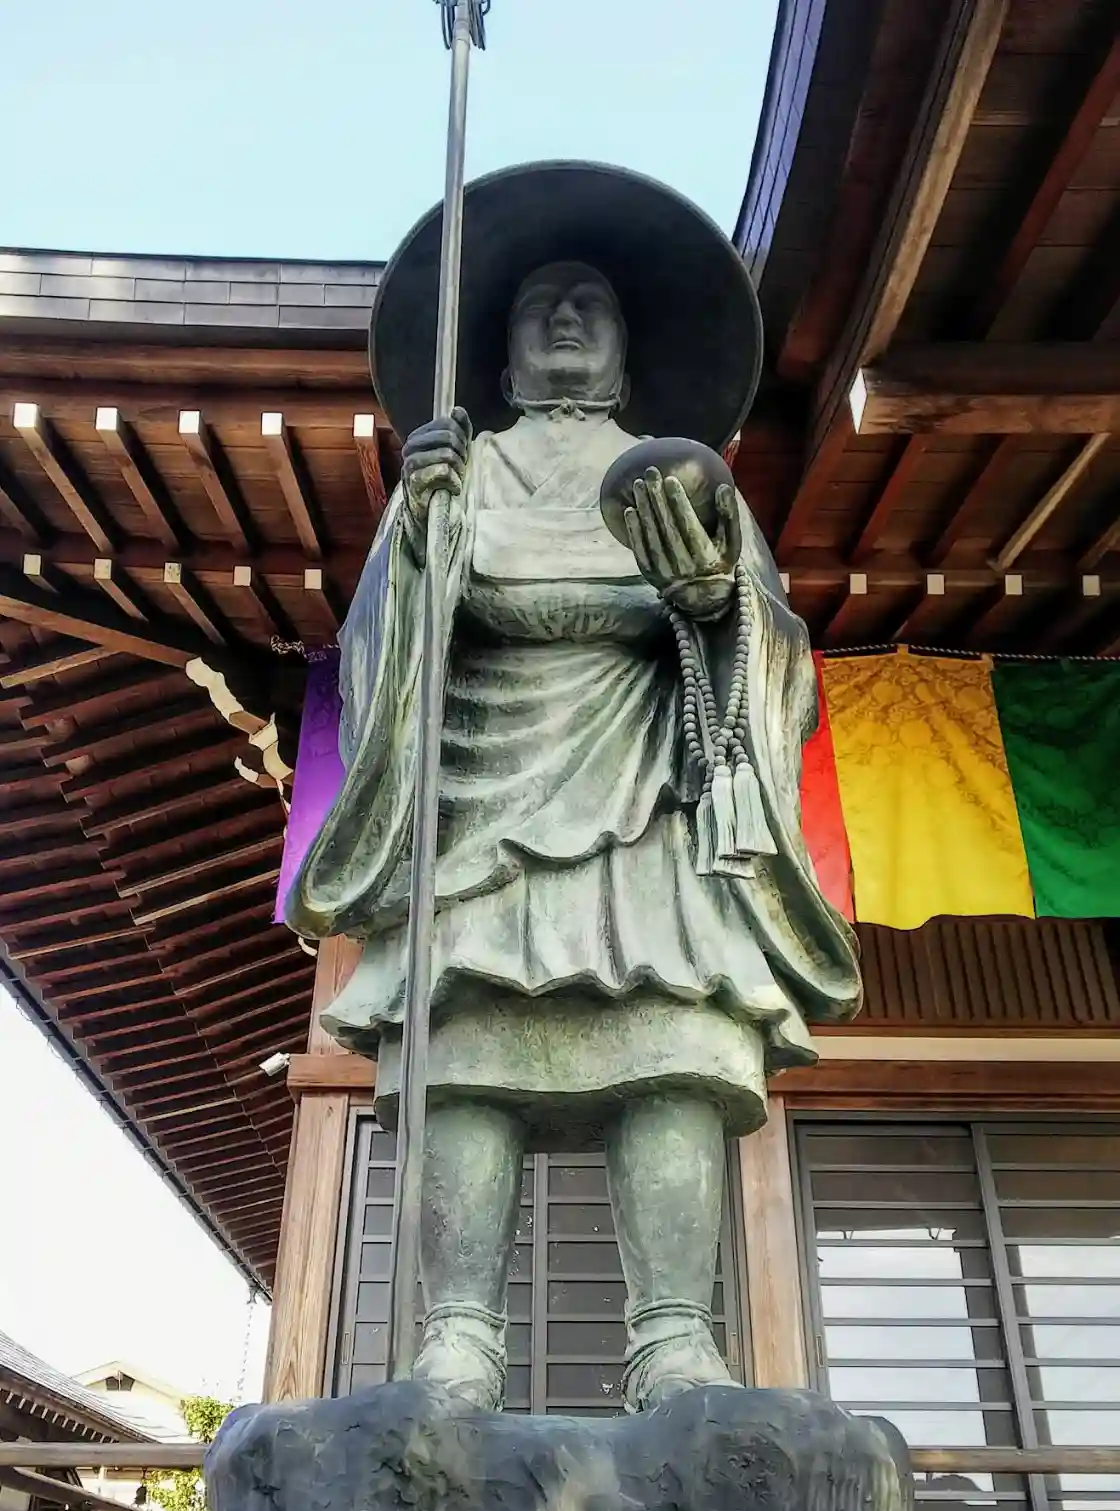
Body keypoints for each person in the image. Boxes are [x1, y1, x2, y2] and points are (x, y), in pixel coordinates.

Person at [288, 164, 860, 1413]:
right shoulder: (455, 473)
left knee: (672, 1044)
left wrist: (710, 604)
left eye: (587, 302)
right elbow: (381, 650)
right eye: (537, 302)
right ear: (496, 353)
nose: (561, 318)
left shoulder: (680, 480)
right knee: (468, 1051)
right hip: (478, 800)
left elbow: (774, 652)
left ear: (625, 345)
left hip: (644, 788)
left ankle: (674, 1334)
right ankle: (458, 1335)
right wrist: (426, 539)